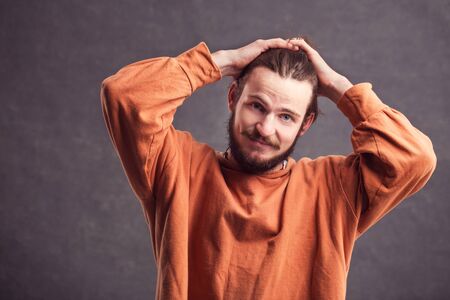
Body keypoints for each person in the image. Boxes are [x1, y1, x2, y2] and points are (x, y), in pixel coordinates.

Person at [100, 37, 436, 300]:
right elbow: (125, 95)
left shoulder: (333, 191)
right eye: (257, 106)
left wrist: (339, 87)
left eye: (286, 116)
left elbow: (414, 157)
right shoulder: (175, 168)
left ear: (305, 125)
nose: (265, 128)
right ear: (233, 98)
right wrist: (222, 61)